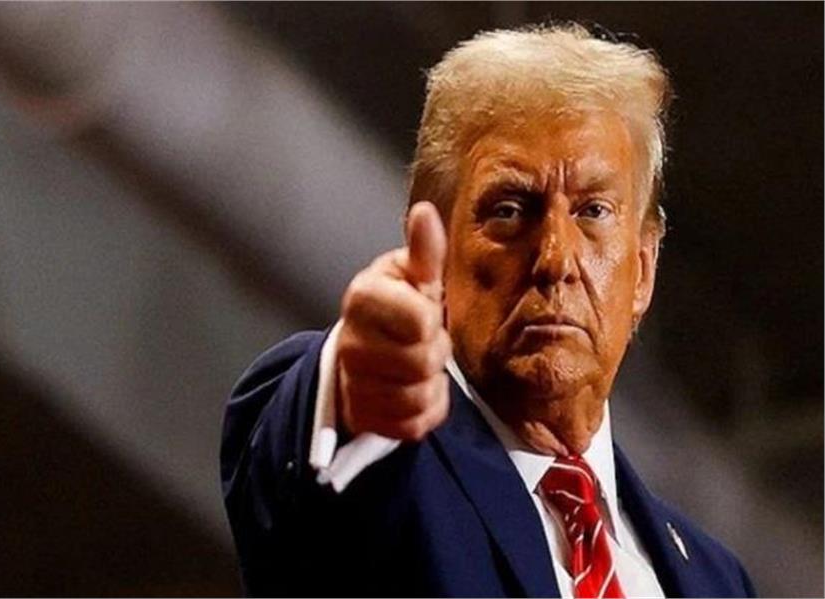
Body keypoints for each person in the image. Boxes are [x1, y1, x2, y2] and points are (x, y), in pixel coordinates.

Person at [221, 23, 756, 598]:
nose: (555, 258)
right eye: (509, 210)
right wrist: (352, 395)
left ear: (643, 270)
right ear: (435, 246)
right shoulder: (389, 461)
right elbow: (301, 471)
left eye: (593, 211)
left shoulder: (717, 581)